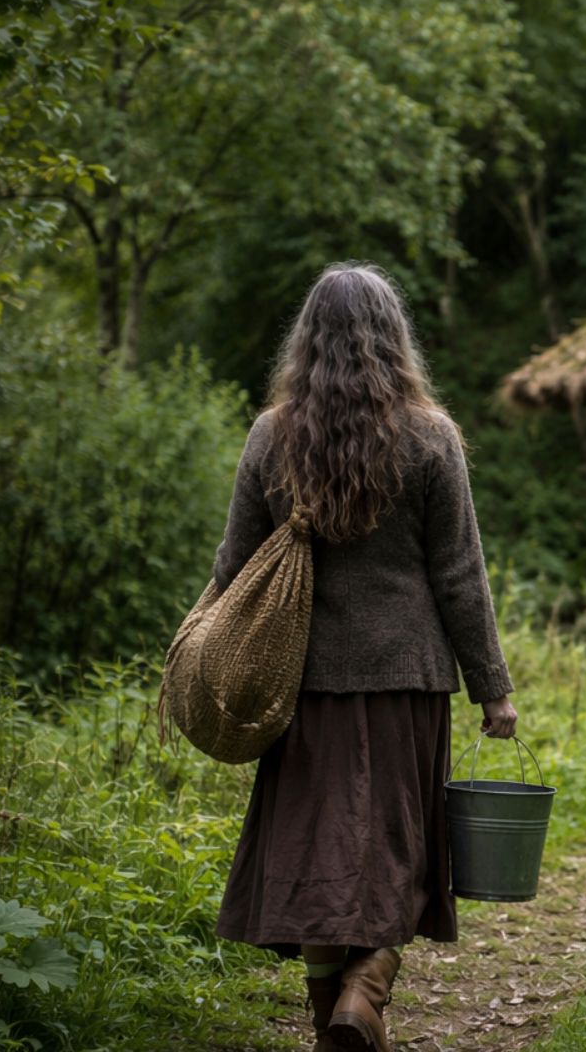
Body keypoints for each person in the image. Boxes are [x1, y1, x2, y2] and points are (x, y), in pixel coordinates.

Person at [209, 262, 518, 1052]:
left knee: (317, 850)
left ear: (306, 340)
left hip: (300, 683)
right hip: (405, 680)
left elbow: (236, 566)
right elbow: (459, 575)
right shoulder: (431, 436)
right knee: (398, 845)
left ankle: (332, 1027)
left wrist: (200, 650)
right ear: (394, 339)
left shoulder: (272, 434)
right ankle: (366, 991)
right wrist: (493, 690)